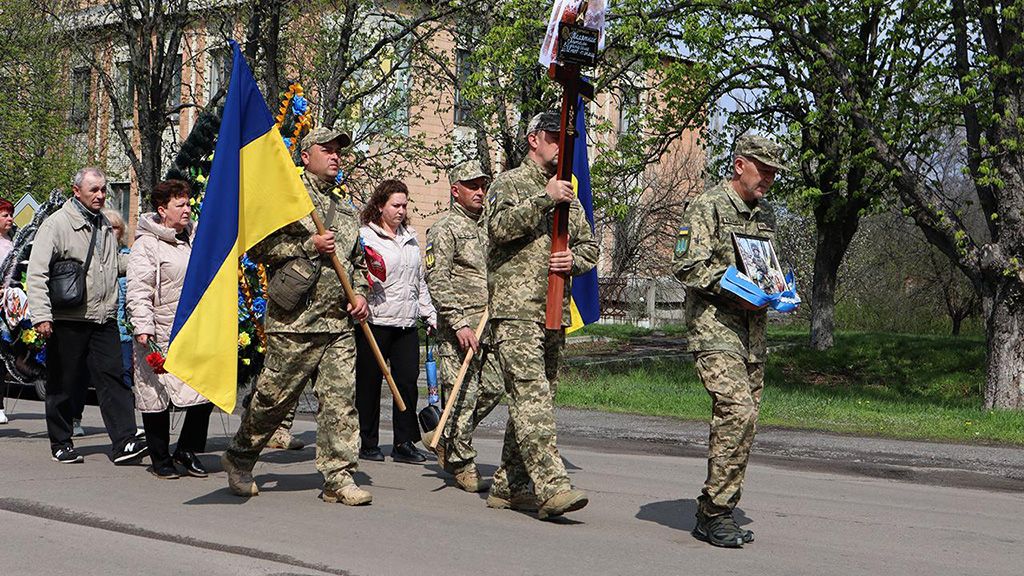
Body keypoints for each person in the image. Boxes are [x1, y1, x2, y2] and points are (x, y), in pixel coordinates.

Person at [222, 126, 374, 505]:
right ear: (306, 156)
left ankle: (338, 477)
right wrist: (308, 244)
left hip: (337, 323)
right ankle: (240, 457)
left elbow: (356, 262)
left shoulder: (347, 209)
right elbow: (257, 249)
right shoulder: (288, 199)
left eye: (339, 150)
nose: (336, 155)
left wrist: (361, 296)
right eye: (327, 149)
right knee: (273, 399)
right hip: (295, 323)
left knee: (341, 401)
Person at [671, 134, 786, 548]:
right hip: (715, 327)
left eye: (774, 172)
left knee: (747, 420)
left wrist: (778, 289)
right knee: (736, 410)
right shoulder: (708, 206)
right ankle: (715, 511)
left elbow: (763, 267)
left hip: (754, 333)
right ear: (740, 165)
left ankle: (719, 508)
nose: (770, 179)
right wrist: (732, 285)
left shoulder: (764, 213)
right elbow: (685, 265)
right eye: (764, 169)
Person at [485, 110, 599, 520]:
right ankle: (551, 487)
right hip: (515, 309)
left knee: (537, 396)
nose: (559, 145)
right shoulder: (509, 183)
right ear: (533, 140)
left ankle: (508, 484)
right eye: (553, 136)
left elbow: (590, 247)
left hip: (552, 309)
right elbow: (497, 228)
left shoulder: (568, 191)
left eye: (563, 138)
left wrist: (574, 260)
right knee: (532, 394)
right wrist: (543, 199)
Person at [26, 167, 147, 464]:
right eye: (94, 190)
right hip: (69, 318)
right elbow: (37, 271)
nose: (101, 195)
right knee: (64, 382)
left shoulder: (104, 223)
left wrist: (143, 261)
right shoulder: (56, 225)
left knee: (113, 379)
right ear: (76, 191)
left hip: (102, 317)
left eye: (103, 189)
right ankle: (61, 441)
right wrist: (42, 315)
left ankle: (124, 442)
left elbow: (110, 264)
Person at [423, 160, 504, 492]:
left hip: (490, 324)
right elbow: (437, 279)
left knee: (495, 386)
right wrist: (457, 323)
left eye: (483, 185)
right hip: (460, 330)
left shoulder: (488, 228)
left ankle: (448, 433)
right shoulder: (444, 229)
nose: (480, 192)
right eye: (472, 186)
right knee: (462, 395)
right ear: (456, 190)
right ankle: (462, 462)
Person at [127, 180, 214, 479]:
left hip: (192, 329)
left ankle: (187, 450)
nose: (188, 209)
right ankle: (160, 457)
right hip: (158, 330)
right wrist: (142, 326)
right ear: (163, 210)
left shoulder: (193, 239)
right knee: (155, 394)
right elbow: (138, 290)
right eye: (180, 204)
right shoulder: (146, 245)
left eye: (189, 203)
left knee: (204, 388)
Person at [356, 179, 436, 464]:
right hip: (375, 321)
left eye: (404, 205)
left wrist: (429, 314)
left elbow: (419, 283)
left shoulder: (411, 238)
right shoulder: (365, 236)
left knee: (406, 382)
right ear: (380, 206)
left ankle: (404, 442)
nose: (401, 211)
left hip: (405, 324)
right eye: (395, 205)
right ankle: (367, 441)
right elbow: (358, 275)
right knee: (369, 383)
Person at [0, 198, 14, 425]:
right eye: (5, 215)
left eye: (11, 214)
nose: (11, 218)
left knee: (2, 358)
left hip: (6, 308)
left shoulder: (11, 244)